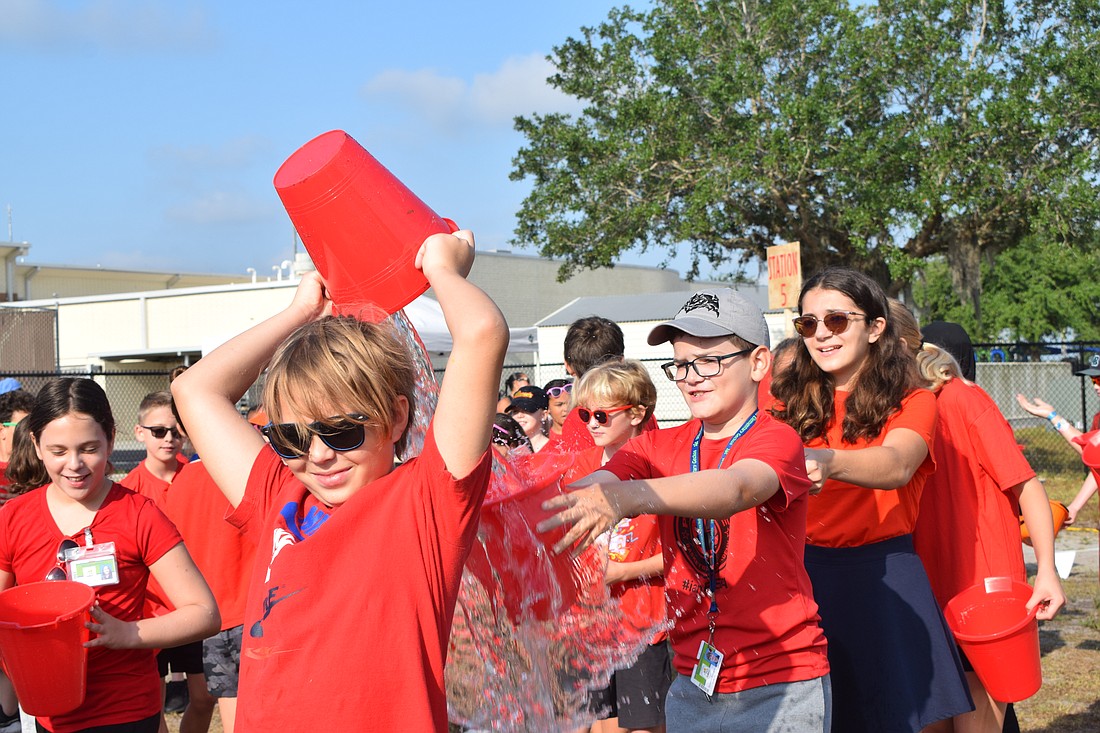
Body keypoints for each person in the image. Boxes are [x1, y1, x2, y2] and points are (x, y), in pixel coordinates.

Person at [171, 229, 508, 731]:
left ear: (396, 420)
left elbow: (481, 332)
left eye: (343, 429)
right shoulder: (281, 496)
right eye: (290, 437)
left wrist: (442, 269)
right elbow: (194, 390)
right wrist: (299, 314)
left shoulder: (426, 502)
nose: (319, 455)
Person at [542, 288, 831, 732]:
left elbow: (736, 488)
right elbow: (598, 484)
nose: (692, 376)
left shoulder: (775, 440)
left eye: (709, 360)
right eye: (681, 364)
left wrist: (628, 497)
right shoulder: (657, 445)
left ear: (758, 364)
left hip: (779, 679)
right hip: (693, 679)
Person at [769, 268, 972, 733]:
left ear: (876, 327)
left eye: (837, 321)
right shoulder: (785, 401)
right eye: (809, 324)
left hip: (884, 574)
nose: (821, 334)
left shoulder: (914, 401)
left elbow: (897, 464)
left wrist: (827, 460)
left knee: (901, 718)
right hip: (803, 576)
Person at [0, 377, 219, 733]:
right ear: (37, 445)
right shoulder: (13, 517)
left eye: (89, 448)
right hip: (48, 711)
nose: (74, 464)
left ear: (111, 439)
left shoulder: (139, 514)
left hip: (125, 709)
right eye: (58, 451)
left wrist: (127, 633)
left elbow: (204, 613)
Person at [888, 303, 1065, 733]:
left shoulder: (963, 399)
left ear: (896, 346)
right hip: (924, 596)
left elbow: (1028, 487)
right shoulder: (891, 411)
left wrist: (1046, 571)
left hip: (983, 596)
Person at [567, 359, 671, 733]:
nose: (591, 423)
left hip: (642, 624)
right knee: (585, 722)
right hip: (589, 623)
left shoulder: (663, 469)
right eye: (584, 414)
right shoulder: (581, 465)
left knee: (643, 725)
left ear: (637, 413)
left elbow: (682, 555)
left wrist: (622, 572)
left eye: (601, 414)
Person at [123, 391, 212, 730]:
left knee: (204, 698)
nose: (170, 438)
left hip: (195, 607)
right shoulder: (130, 491)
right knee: (153, 710)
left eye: (177, 431)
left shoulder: (201, 475)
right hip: (151, 614)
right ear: (139, 432)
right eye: (159, 431)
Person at [0, 389, 36, 501]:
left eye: (34, 426)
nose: (31, 433)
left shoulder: (40, 468)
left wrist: (21, 503)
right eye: (23, 427)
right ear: (2, 430)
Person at [506, 385, 551, 452]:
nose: (520, 415)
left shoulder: (555, 451)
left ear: (543, 415)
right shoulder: (508, 449)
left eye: (527, 410)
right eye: (515, 411)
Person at [543, 378, 574, 451]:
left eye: (570, 403)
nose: (566, 409)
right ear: (548, 409)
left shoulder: (586, 432)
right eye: (559, 405)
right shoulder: (544, 438)